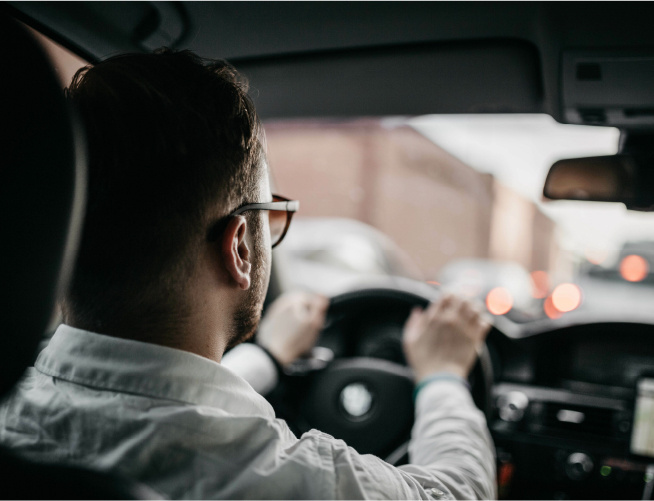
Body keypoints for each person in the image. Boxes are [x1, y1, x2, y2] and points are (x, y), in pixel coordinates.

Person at [0, 49, 495, 499]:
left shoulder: (14, 409)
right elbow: (456, 493)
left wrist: (269, 358)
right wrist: (443, 377)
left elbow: (149, 396)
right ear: (239, 245)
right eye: (271, 213)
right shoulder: (285, 480)